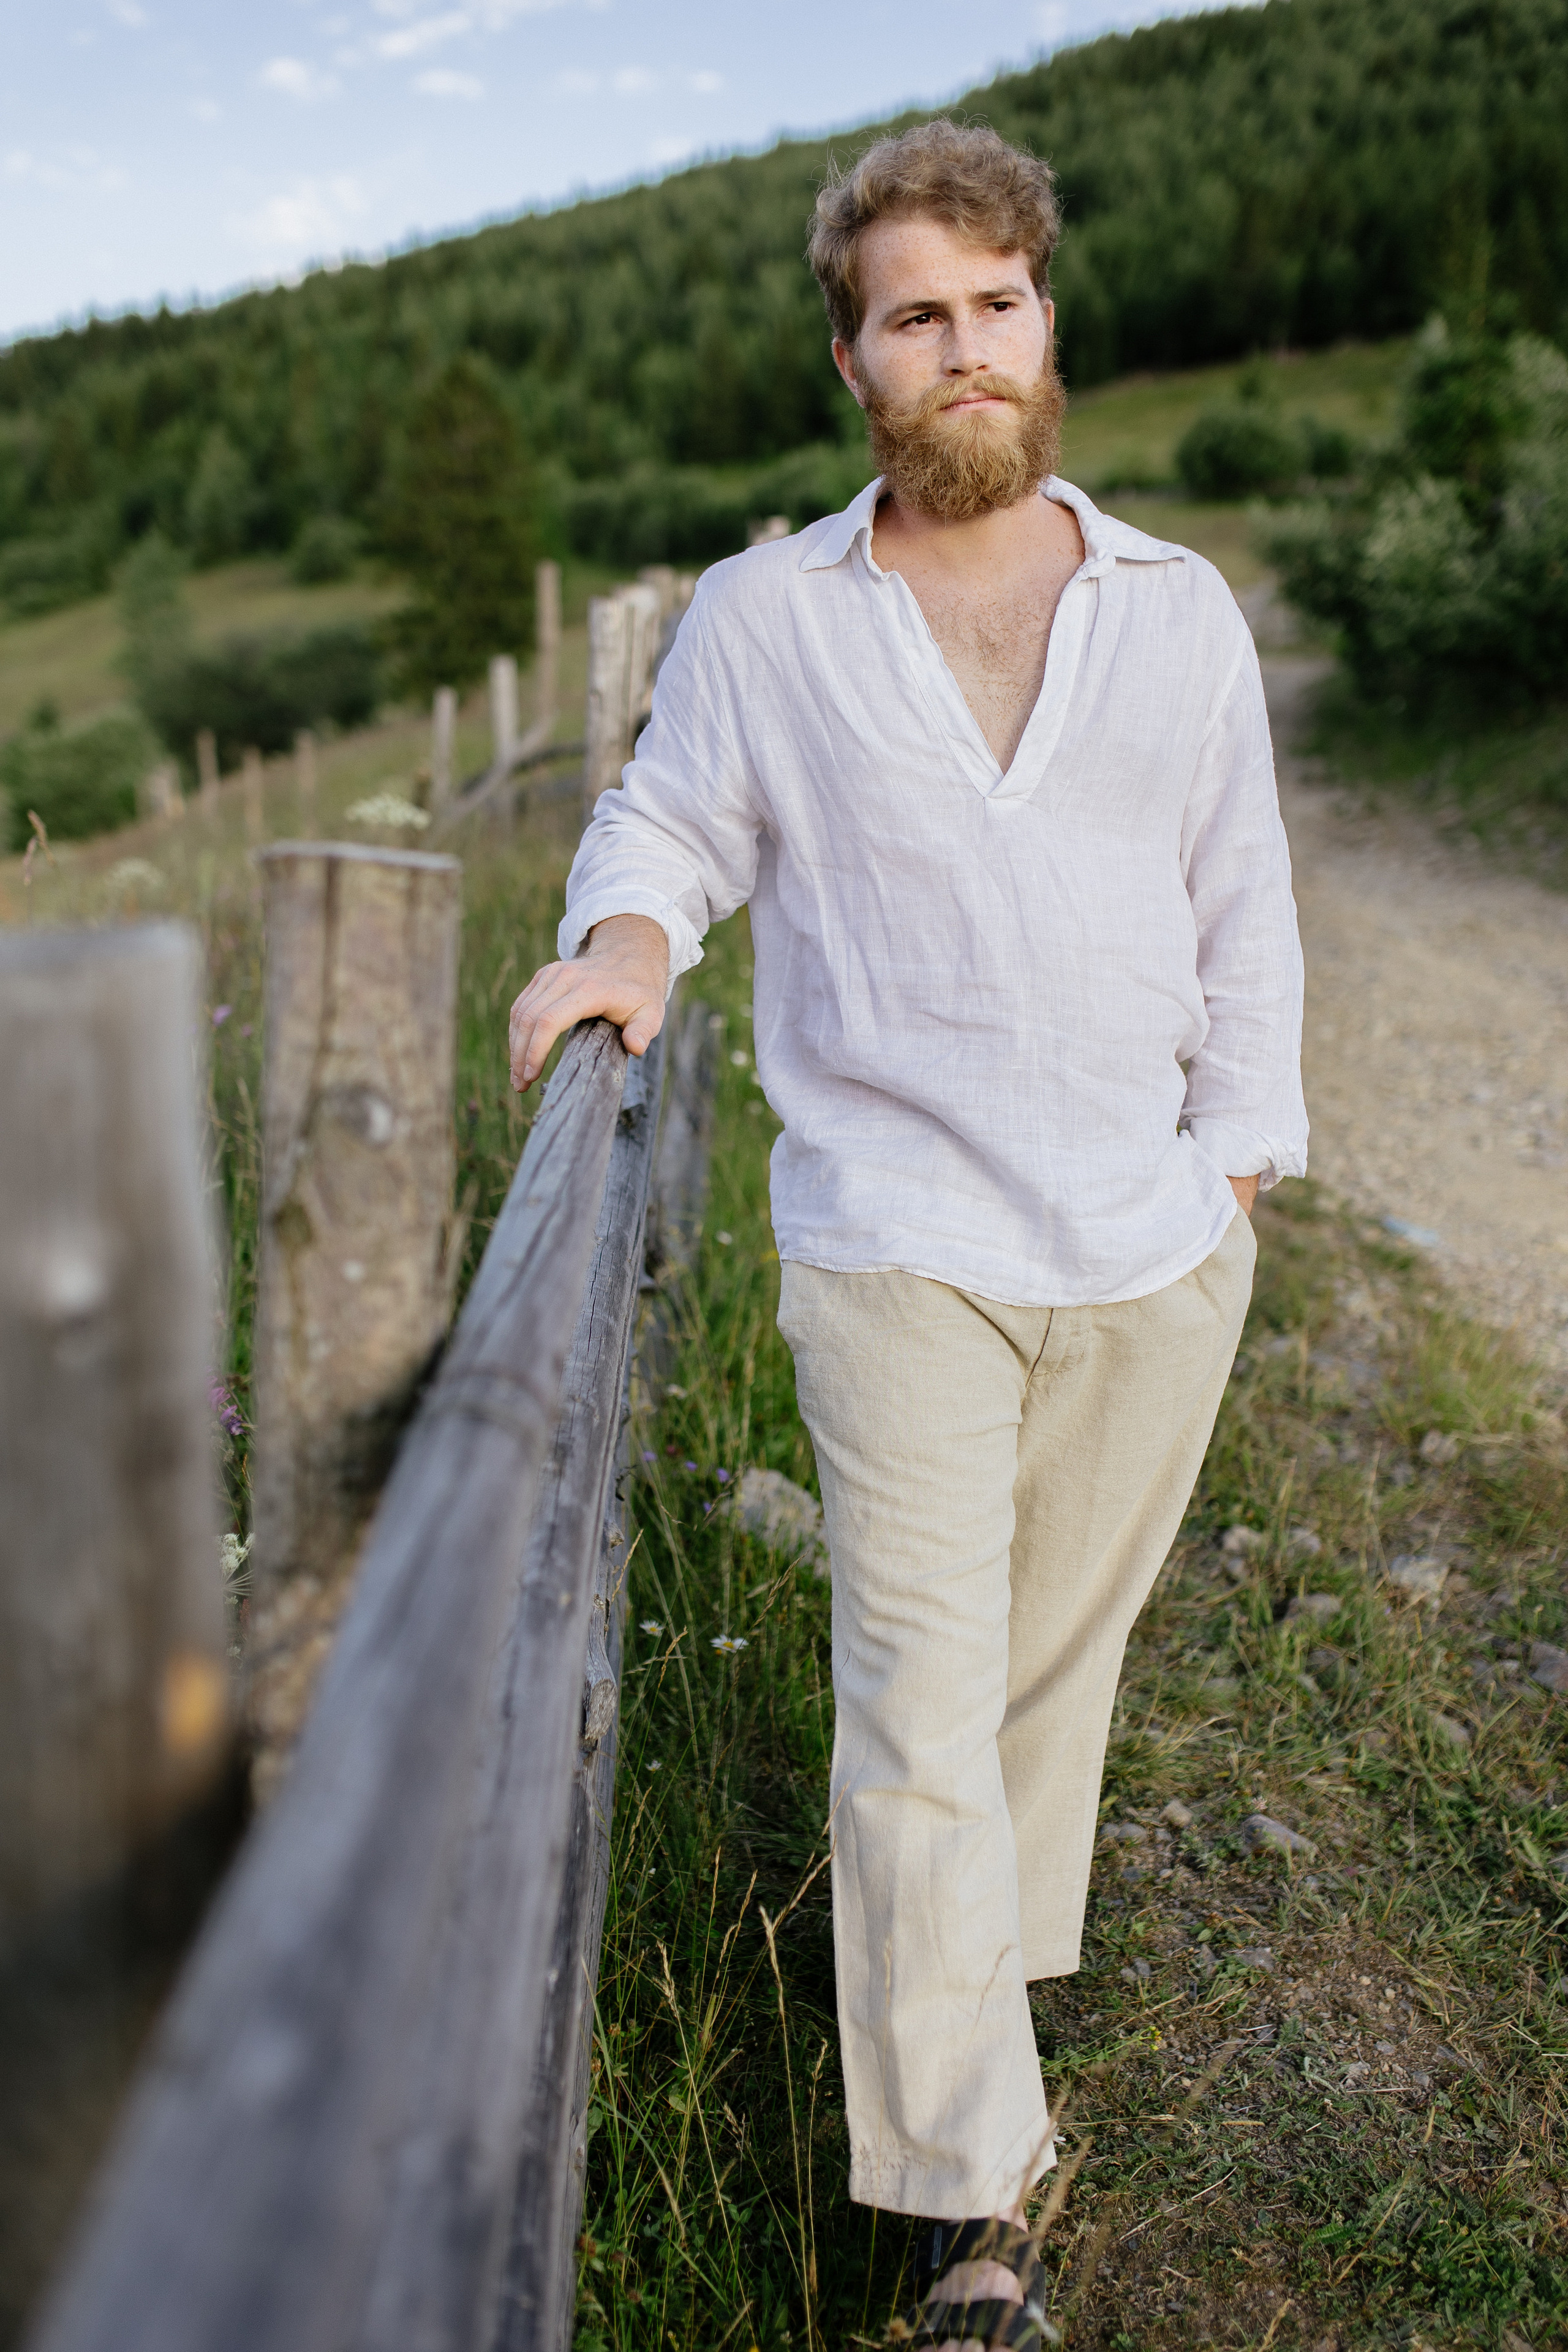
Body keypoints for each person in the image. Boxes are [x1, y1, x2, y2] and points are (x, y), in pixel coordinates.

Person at [508, 119, 1307, 2352]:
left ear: (1048, 322)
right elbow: (670, 814)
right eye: (916, 317)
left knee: (1050, 1674)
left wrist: (1234, 1161)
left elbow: (1243, 896)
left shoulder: (1174, 609)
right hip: (899, 1239)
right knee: (918, 1708)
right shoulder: (774, 617)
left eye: (1000, 305)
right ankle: (980, 2216)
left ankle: (976, 1966)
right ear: (851, 358)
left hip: (1156, 1248)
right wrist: (627, 950)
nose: (966, 349)